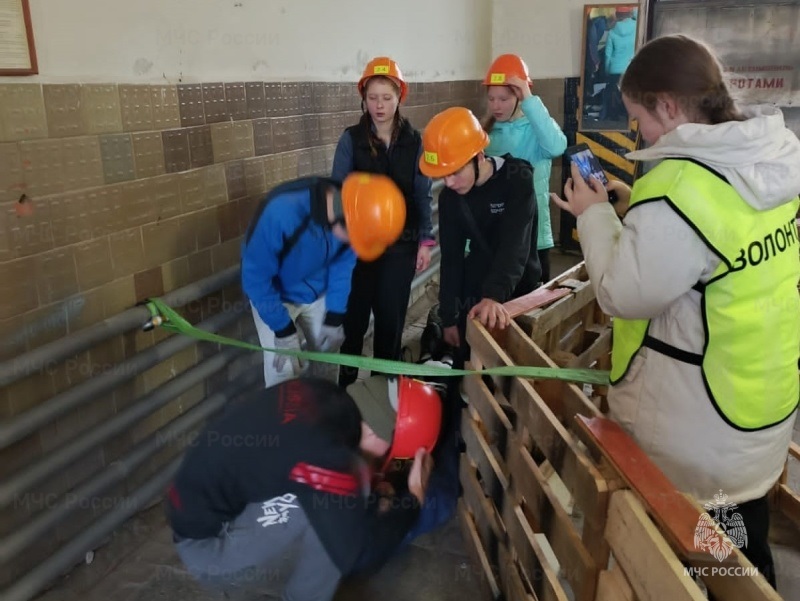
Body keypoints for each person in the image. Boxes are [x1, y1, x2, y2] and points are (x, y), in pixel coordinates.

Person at [551, 34, 800, 590]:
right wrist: (631, 208)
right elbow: (704, 251)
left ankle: (727, 586)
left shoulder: (680, 186)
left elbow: (621, 292)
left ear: (667, 105)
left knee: (701, 556)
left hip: (700, 428)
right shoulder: (763, 163)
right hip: (757, 412)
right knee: (741, 531)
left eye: (640, 118)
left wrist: (593, 215)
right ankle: (751, 581)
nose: (639, 132)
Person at [166, 375, 441, 601]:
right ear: (373, 432)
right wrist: (414, 499)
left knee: (340, 494)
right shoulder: (332, 460)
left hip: (196, 510)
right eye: (390, 449)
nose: (387, 456)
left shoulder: (322, 392)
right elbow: (362, 551)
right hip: (208, 554)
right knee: (343, 510)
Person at [241, 173, 405, 388]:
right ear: (341, 219)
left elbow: (342, 268)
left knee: (328, 360)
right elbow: (255, 279)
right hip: (274, 296)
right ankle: (284, 408)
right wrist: (283, 330)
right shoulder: (281, 212)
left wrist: (335, 316)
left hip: (317, 293)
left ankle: (325, 406)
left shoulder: (354, 216)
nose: (355, 246)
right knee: (284, 370)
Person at [332, 56, 435, 388]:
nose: (379, 105)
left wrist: (425, 241)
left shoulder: (414, 141)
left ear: (399, 97)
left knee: (390, 324)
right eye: (373, 97)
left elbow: (422, 193)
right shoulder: (351, 140)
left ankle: (382, 392)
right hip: (359, 248)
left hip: (401, 246)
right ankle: (345, 390)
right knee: (354, 323)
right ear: (363, 98)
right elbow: (338, 193)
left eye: (387, 98)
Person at [419, 106, 540, 363]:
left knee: (511, 366)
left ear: (479, 156)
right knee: (467, 362)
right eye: (443, 176)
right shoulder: (451, 199)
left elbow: (515, 246)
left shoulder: (517, 181)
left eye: (455, 172)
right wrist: (449, 318)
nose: (449, 183)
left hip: (518, 286)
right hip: (475, 289)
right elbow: (451, 260)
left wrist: (493, 296)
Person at [482, 53, 567, 284]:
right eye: (491, 99)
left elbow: (557, 146)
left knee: (533, 301)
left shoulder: (536, 130)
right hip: (495, 236)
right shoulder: (484, 134)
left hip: (533, 238)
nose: (496, 106)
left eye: (503, 99)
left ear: (519, 97)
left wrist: (528, 97)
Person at [601, 7, 637, 122]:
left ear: (617, 15)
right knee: (631, 93)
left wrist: (607, 70)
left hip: (615, 69)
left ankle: (613, 116)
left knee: (613, 93)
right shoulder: (637, 27)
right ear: (629, 13)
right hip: (631, 69)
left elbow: (608, 55)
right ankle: (628, 116)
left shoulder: (612, 32)